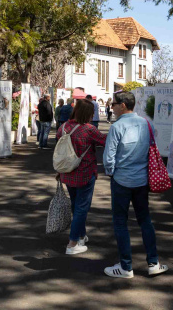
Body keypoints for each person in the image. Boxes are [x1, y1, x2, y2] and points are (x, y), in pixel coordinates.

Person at [103, 90, 168, 278]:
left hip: (122, 180)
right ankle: (153, 263)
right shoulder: (147, 123)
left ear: (123, 105)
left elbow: (109, 158)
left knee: (120, 223)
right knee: (145, 220)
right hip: (142, 180)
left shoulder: (117, 127)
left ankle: (126, 267)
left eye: (113, 104)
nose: (112, 107)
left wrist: (112, 173)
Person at [56, 100, 107, 255]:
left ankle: (81, 235)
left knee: (76, 205)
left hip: (67, 172)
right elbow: (105, 141)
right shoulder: (89, 129)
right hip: (85, 173)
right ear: (88, 114)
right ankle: (72, 243)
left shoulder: (62, 127)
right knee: (81, 207)